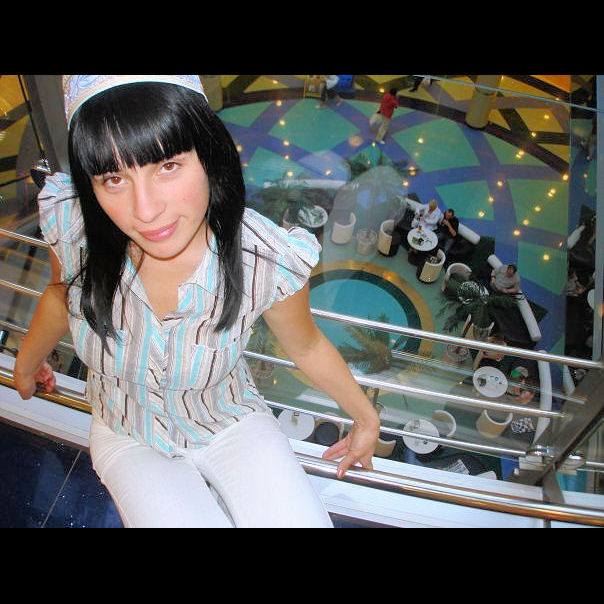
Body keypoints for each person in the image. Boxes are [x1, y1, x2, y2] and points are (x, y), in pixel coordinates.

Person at [13, 75, 380, 528]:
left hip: (228, 419)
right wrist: (27, 362)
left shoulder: (262, 258)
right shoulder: (77, 228)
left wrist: (366, 418)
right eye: (113, 178)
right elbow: (62, 296)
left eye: (167, 165)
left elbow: (305, 345)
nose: (146, 211)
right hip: (128, 431)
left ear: (208, 154)